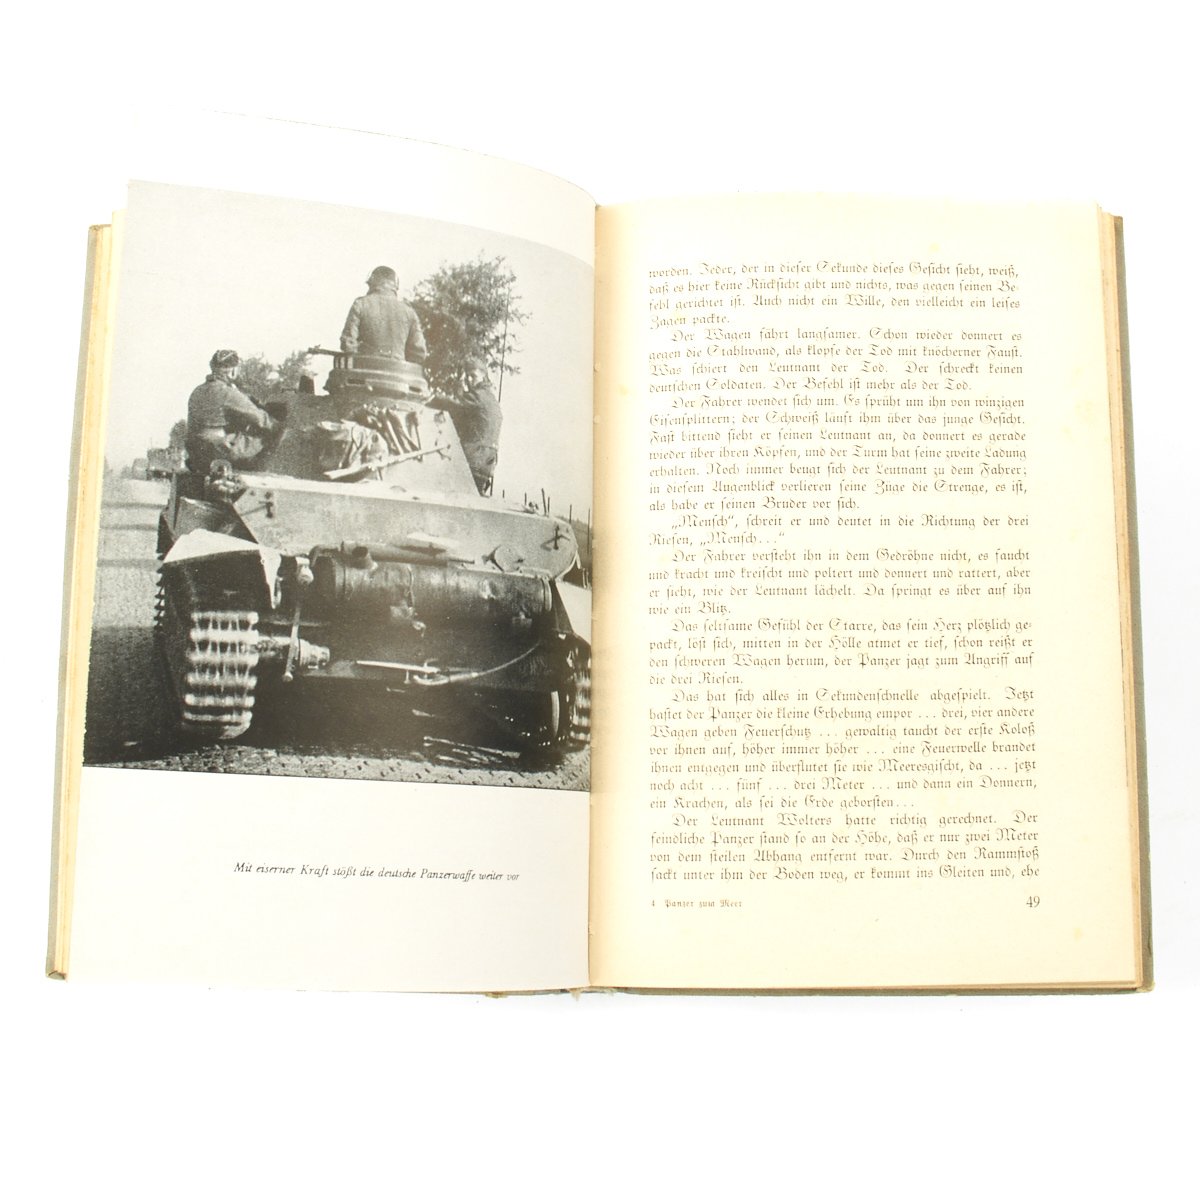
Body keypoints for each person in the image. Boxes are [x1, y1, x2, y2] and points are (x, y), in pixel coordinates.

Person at [186, 349, 278, 472]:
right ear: (233, 370)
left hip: (195, 451)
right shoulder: (228, 393)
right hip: (218, 450)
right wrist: (278, 424)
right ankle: (261, 470)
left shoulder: (197, 391)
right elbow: (261, 419)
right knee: (268, 435)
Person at [340, 265, 428, 363]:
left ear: (373, 282)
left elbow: (348, 344)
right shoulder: (409, 312)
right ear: (395, 286)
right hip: (398, 371)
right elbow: (419, 353)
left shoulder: (360, 304)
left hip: (365, 370)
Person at [445, 359, 502, 496]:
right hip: (488, 463)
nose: (469, 380)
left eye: (473, 376)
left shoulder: (477, 396)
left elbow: (454, 405)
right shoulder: (492, 399)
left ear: (484, 376)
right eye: (467, 376)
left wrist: (430, 399)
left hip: (473, 459)